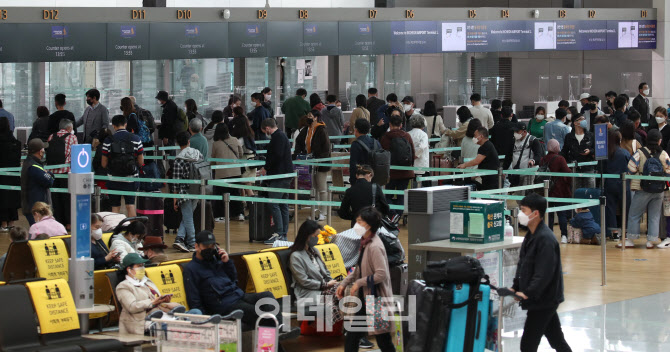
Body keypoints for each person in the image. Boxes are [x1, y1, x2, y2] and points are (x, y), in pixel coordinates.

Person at [184, 231, 285, 328]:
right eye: (206, 246)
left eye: (212, 246)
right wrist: (206, 319)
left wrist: (227, 263)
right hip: (224, 306)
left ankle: (280, 328)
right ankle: (280, 331)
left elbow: (234, 280)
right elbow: (194, 299)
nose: (210, 249)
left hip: (238, 296)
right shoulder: (191, 269)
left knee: (267, 296)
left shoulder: (217, 260)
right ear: (196, 246)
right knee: (260, 313)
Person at [510, 193, 572, 352]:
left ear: (535, 213)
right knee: (556, 340)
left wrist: (527, 292)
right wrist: (515, 286)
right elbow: (523, 264)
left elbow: (544, 273)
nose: (520, 214)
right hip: (541, 298)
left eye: (523, 210)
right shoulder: (531, 235)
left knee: (528, 344)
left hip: (544, 299)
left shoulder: (546, 239)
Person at [337, 206, 396, 352]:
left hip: (376, 300)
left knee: (383, 340)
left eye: (360, 221)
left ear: (369, 225)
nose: (356, 224)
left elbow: (381, 274)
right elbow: (359, 269)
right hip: (366, 297)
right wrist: (344, 283)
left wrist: (359, 282)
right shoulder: (365, 242)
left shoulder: (375, 246)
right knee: (353, 335)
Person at [117, 253, 199, 335]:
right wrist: (152, 303)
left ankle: (185, 324)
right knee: (170, 327)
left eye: (143, 265)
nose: (142, 268)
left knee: (196, 312)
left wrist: (164, 301)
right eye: (139, 266)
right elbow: (132, 307)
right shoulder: (123, 286)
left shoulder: (147, 281)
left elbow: (157, 299)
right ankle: (186, 326)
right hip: (144, 320)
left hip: (162, 314)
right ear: (129, 269)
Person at [621, 129, 670, 249]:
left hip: (642, 188)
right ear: (659, 141)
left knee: (634, 214)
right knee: (654, 215)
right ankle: (650, 241)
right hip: (659, 189)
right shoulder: (664, 154)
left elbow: (631, 168)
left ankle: (631, 240)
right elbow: (668, 170)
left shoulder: (640, 152)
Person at [289, 220, 343, 325]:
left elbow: (325, 271)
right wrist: (325, 285)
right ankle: (351, 331)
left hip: (323, 288)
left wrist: (331, 281)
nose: (317, 238)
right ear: (306, 236)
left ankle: (352, 330)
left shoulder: (314, 251)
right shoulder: (296, 256)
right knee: (341, 293)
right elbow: (304, 282)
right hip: (308, 292)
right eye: (315, 235)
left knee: (345, 289)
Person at [101, 115, 144, 217]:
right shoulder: (136, 138)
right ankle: (132, 231)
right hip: (131, 179)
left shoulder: (108, 140)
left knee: (115, 207)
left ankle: (115, 231)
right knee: (130, 205)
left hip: (113, 179)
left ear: (113, 126)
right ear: (126, 124)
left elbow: (104, 163)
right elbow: (141, 162)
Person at [259, 119, 293, 244]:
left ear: (267, 128)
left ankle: (280, 233)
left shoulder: (277, 137)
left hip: (279, 176)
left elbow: (276, 156)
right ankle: (283, 233)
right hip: (285, 175)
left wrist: (266, 167)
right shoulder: (282, 136)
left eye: (264, 130)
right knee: (283, 204)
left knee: (274, 204)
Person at [171, 131, 204, 252]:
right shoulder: (198, 154)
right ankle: (179, 238)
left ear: (177, 143)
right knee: (188, 216)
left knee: (188, 217)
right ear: (189, 141)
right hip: (197, 190)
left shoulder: (178, 160)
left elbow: (176, 183)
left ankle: (191, 243)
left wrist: (175, 200)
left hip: (184, 193)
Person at [295, 110, 331, 221]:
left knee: (322, 187)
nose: (308, 118)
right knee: (313, 188)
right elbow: (299, 141)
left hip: (320, 163)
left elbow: (326, 148)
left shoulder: (321, 130)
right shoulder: (306, 130)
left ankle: (323, 212)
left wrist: (319, 159)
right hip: (309, 163)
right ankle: (314, 210)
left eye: (310, 116)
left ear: (316, 117)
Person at [380, 111, 415, 217]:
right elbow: (412, 153)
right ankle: (398, 215)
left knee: (388, 195)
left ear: (390, 124)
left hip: (391, 173)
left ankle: (393, 214)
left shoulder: (385, 137)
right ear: (401, 125)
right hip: (406, 172)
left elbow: (382, 155)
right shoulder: (407, 136)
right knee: (401, 195)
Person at [46, 118, 78, 229]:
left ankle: (58, 222)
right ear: (69, 127)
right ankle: (69, 223)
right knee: (67, 198)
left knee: (55, 198)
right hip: (66, 173)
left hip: (53, 173)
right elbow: (75, 156)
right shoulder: (72, 137)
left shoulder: (51, 136)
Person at [210, 123, 245, 222]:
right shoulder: (235, 140)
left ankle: (220, 215)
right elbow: (241, 154)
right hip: (235, 171)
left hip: (221, 173)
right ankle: (239, 214)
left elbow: (213, 159)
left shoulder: (216, 144)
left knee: (220, 194)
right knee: (235, 194)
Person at [542, 139, 573, 244]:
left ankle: (549, 235)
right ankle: (564, 235)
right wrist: (568, 184)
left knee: (549, 214)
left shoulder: (543, 159)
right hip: (560, 190)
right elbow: (568, 173)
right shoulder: (560, 159)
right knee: (562, 214)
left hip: (547, 191)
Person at [603, 129, 631, 241]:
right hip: (623, 184)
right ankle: (626, 231)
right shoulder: (624, 153)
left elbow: (602, 169)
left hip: (609, 184)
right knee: (626, 208)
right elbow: (631, 168)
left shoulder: (606, 154)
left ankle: (614, 233)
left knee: (610, 208)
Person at [21, 139, 54, 225]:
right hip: (36, 209)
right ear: (40, 151)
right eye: (43, 149)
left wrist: (48, 174)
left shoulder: (29, 163)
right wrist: (50, 174)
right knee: (39, 234)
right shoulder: (34, 167)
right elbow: (49, 181)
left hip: (33, 207)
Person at [561, 114, 596, 190]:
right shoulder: (569, 136)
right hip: (574, 168)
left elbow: (596, 149)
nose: (584, 121)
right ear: (575, 123)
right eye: (581, 119)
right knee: (575, 190)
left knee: (590, 190)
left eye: (584, 119)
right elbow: (565, 151)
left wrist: (590, 151)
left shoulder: (590, 135)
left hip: (588, 167)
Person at [0, 117, 21, 231]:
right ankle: (11, 223)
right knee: (12, 198)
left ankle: (3, 224)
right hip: (13, 174)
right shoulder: (15, 142)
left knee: (2, 198)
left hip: (2, 175)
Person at [408, 115, 429, 181]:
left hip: (410, 165)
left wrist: (411, 157)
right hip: (422, 165)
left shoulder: (407, 134)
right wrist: (416, 155)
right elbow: (422, 147)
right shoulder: (423, 135)